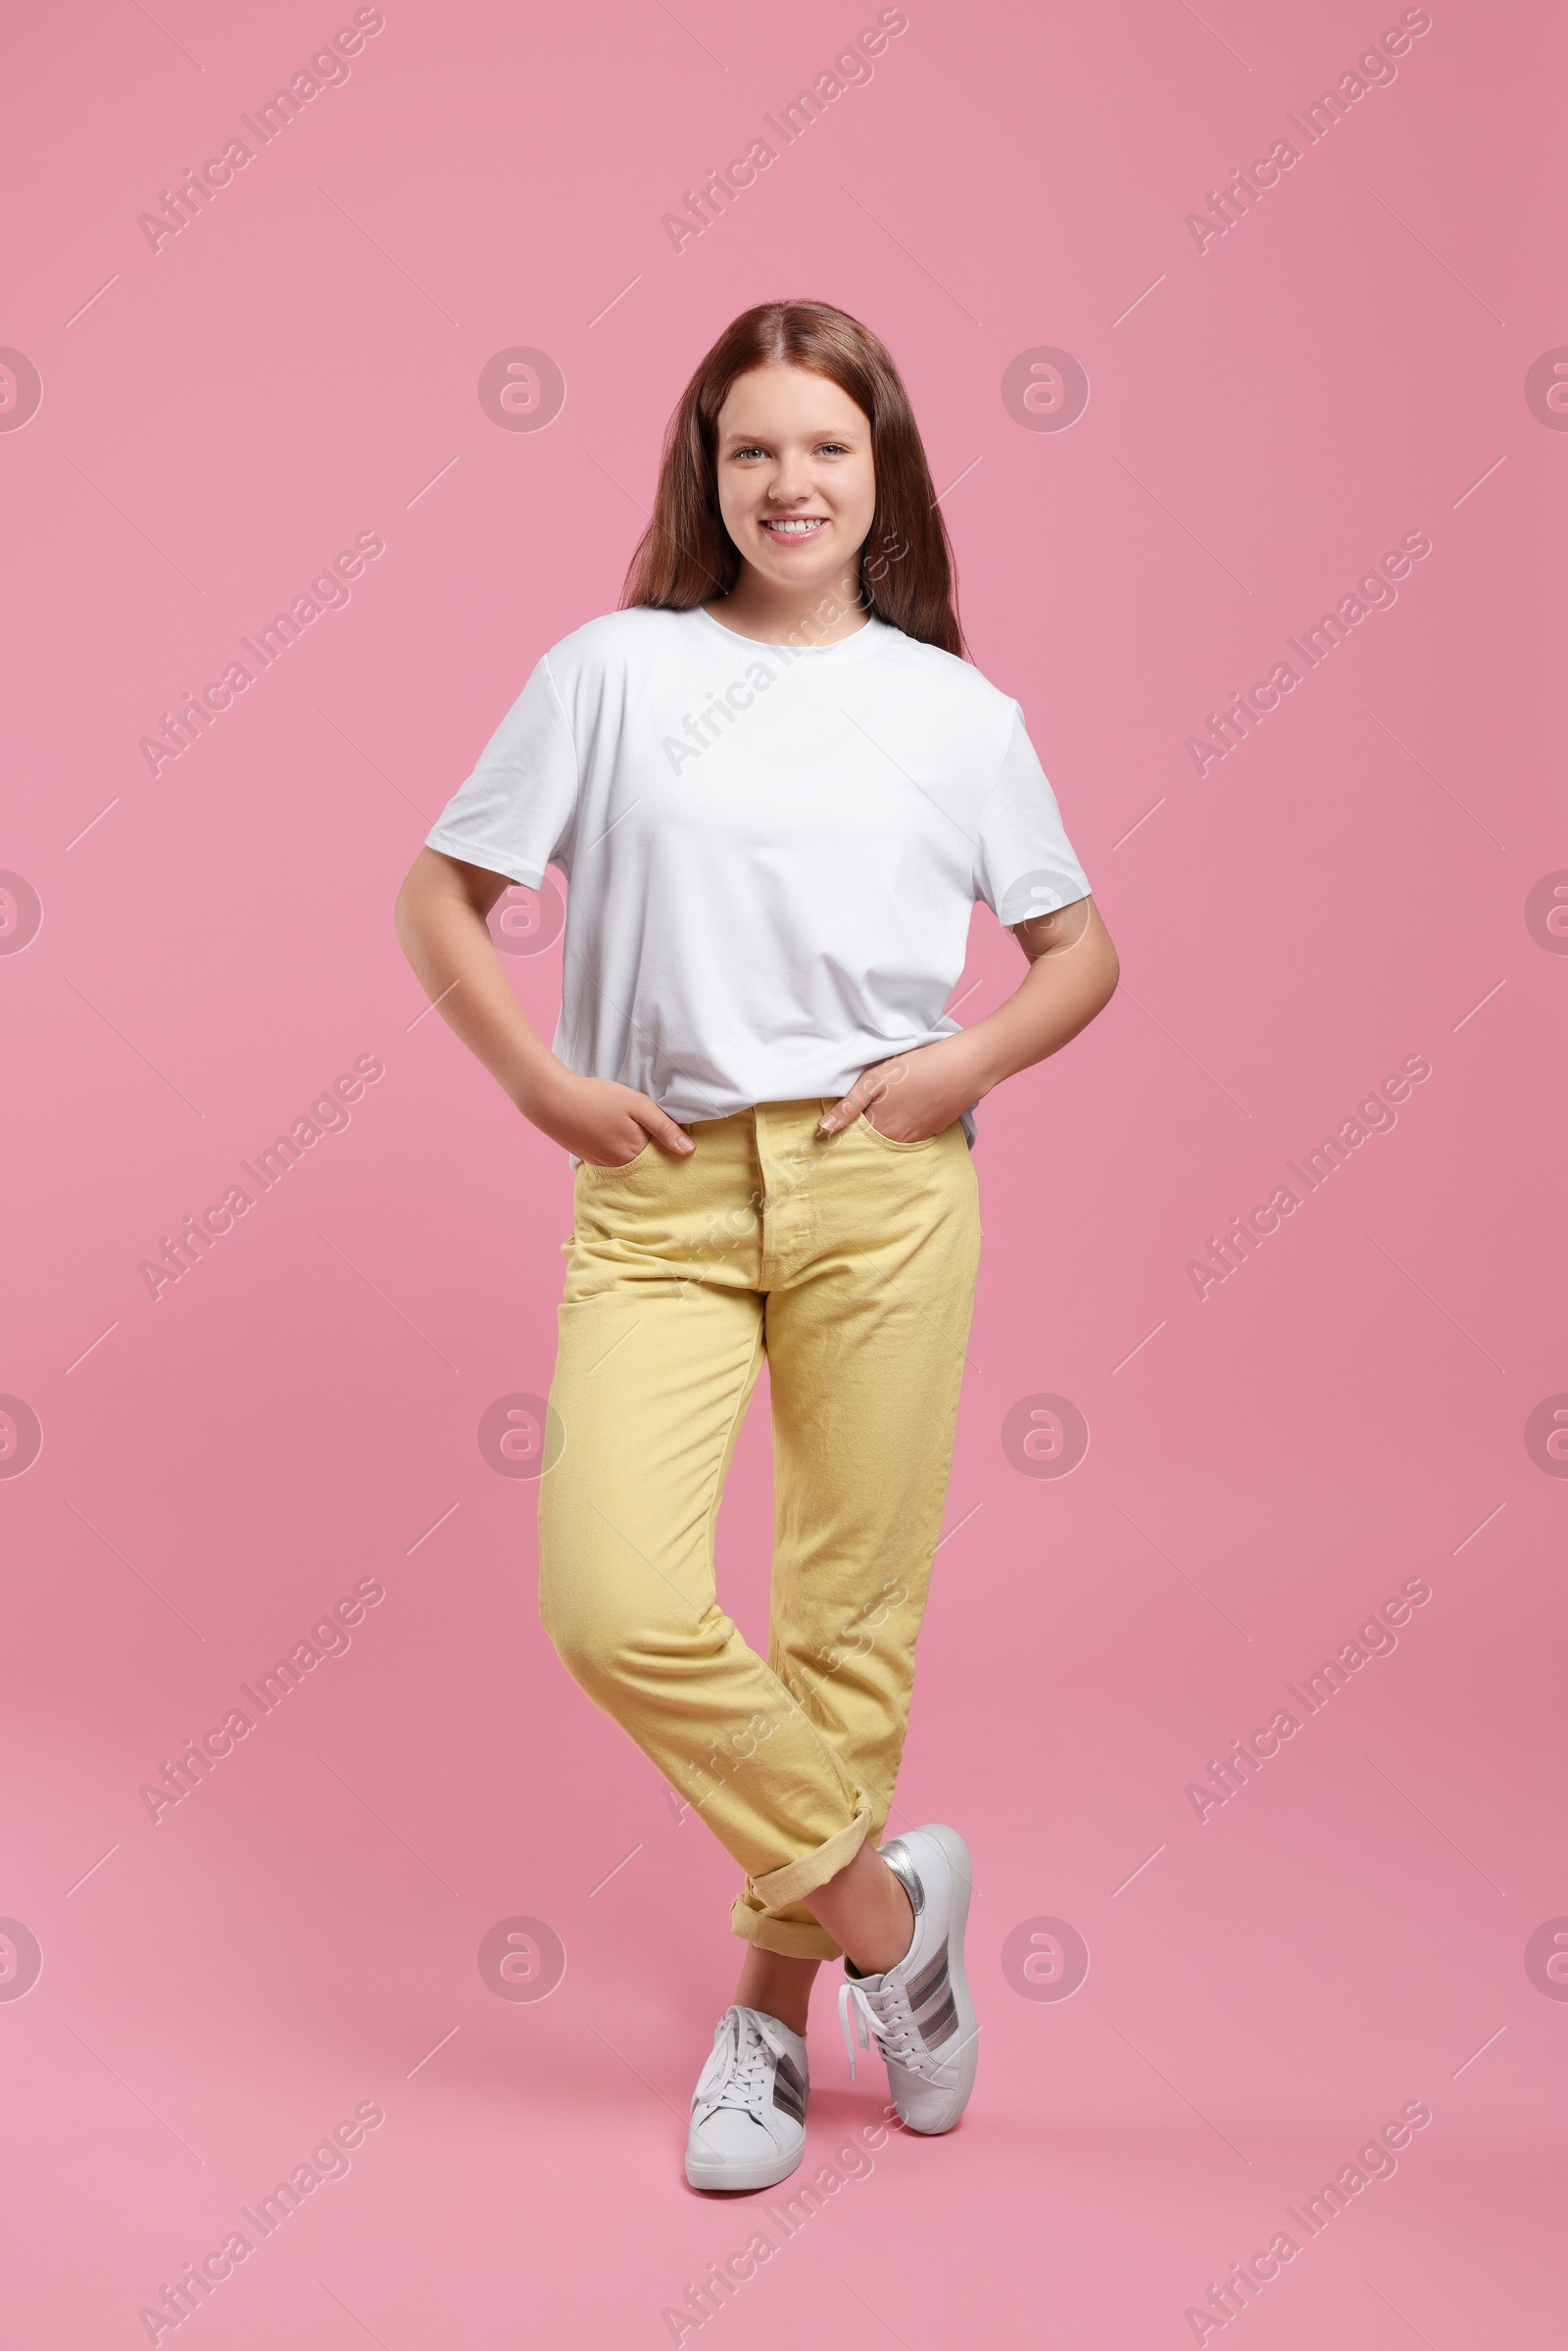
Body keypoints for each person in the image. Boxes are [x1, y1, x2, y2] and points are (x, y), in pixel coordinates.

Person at [395, 299, 1118, 2191]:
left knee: (843, 1635)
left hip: (886, 1187)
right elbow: (439, 899)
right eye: (753, 450)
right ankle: (896, 1922)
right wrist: (543, 1089)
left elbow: (1082, 955)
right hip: (664, 1187)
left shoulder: (959, 715)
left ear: (882, 475)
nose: (789, 483)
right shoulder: (613, 671)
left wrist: (954, 1063)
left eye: (827, 448)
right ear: (703, 474)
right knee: (611, 1600)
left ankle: (771, 2031)